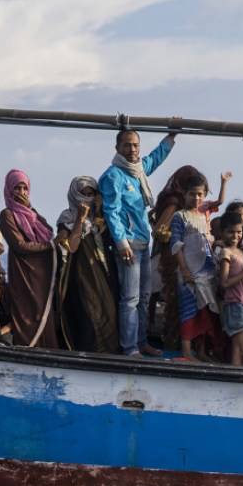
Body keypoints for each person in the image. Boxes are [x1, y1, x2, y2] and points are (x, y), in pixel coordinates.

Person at [99, 128, 177, 357]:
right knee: (130, 299)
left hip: (144, 242)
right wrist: (121, 243)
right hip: (129, 245)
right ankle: (130, 347)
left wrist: (171, 137)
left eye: (135, 145)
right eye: (127, 145)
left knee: (144, 297)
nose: (132, 149)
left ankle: (142, 342)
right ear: (117, 148)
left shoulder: (137, 170)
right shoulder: (113, 175)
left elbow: (155, 158)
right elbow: (111, 211)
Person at [56, 176, 120, 354]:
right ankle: (91, 356)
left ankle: (111, 356)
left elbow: (111, 240)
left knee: (110, 312)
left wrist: (99, 214)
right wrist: (80, 220)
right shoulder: (67, 216)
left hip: (104, 273)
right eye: (82, 194)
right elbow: (72, 246)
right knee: (91, 314)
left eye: (90, 194)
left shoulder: (103, 216)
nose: (86, 198)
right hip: (82, 274)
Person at [0, 169, 60, 349]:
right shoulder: (7, 215)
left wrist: (31, 208)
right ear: (9, 190)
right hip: (23, 273)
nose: (22, 192)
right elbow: (20, 246)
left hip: (40, 275)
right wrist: (52, 246)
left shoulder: (31, 215)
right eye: (17, 188)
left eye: (25, 188)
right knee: (27, 315)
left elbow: (47, 231)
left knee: (43, 315)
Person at [152, 165, 205, 352]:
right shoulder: (175, 203)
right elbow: (159, 231)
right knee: (176, 305)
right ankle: (173, 347)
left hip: (182, 260)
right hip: (174, 260)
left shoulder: (183, 205)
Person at [171, 175, 224, 362]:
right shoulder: (179, 217)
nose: (196, 198)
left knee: (206, 312)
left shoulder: (204, 215)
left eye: (200, 194)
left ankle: (201, 351)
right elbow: (176, 245)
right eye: (192, 194)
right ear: (184, 195)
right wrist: (184, 269)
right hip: (189, 273)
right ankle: (186, 351)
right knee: (189, 311)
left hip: (207, 273)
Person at [216, 213, 243, 366]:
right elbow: (224, 283)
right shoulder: (226, 252)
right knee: (238, 347)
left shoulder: (242, 252)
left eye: (239, 232)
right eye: (230, 231)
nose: (235, 235)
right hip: (235, 303)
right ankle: (236, 381)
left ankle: (242, 378)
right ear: (222, 232)